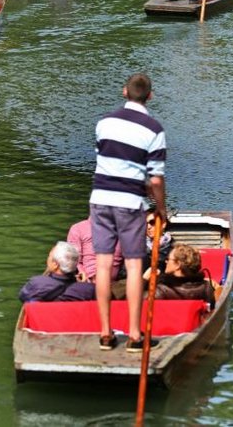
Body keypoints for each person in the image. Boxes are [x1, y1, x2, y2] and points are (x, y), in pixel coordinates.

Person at [91, 73, 167, 353]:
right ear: (150, 96)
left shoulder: (103, 123)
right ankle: (135, 335)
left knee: (103, 265)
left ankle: (105, 333)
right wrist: (161, 209)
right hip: (129, 203)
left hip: (99, 199)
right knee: (135, 265)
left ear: (124, 92)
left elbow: (109, 160)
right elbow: (155, 179)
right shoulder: (154, 129)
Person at [18, 241, 97, 303]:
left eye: (49, 256)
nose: (47, 259)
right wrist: (82, 285)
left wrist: (47, 272)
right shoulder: (90, 289)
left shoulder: (37, 283)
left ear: (55, 264)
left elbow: (23, 297)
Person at [67, 219, 123, 283]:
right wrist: (82, 273)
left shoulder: (121, 231)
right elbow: (75, 261)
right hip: (87, 279)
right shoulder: (78, 228)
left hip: (106, 280)